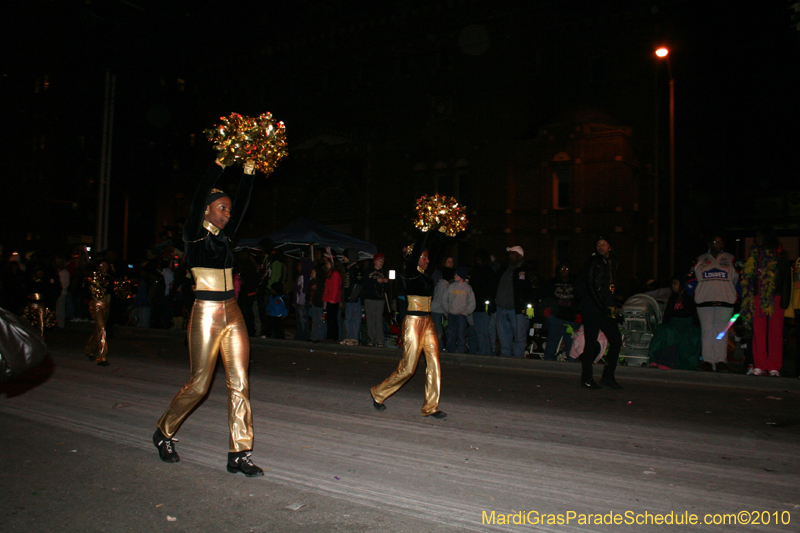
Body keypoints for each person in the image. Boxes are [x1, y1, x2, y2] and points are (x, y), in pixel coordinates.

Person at [153, 158, 263, 477]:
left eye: (228, 210)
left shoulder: (227, 237)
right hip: (206, 313)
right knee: (199, 385)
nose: (228, 214)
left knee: (240, 384)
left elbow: (243, 202)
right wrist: (221, 161)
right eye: (221, 209)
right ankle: (164, 431)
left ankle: (239, 453)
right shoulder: (194, 235)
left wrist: (249, 170)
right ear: (206, 209)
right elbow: (202, 189)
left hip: (233, 312)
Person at [370, 227, 447, 419]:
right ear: (415, 258)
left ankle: (430, 407)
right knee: (408, 368)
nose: (428, 260)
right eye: (424, 257)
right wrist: (426, 229)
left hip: (427, 321)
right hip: (413, 322)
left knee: (435, 363)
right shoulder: (410, 272)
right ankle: (378, 393)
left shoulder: (424, 273)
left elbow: (435, 252)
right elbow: (418, 250)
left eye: (428, 257)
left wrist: (442, 232)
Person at [740, 231, 790, 377]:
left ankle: (774, 366)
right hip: (757, 296)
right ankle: (759, 365)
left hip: (775, 296)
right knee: (758, 332)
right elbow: (748, 279)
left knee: (776, 333)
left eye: (761, 237)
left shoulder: (780, 255)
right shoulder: (754, 256)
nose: (758, 240)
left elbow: (786, 279)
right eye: (757, 238)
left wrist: (785, 302)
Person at [576, 236, 623, 389]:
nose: (601, 247)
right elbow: (591, 286)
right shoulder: (594, 262)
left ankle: (608, 376)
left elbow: (610, 288)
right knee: (590, 342)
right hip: (592, 307)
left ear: (610, 246)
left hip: (605, 307)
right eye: (598, 244)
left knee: (616, 340)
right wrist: (601, 306)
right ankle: (587, 378)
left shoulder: (612, 263)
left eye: (604, 244)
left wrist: (614, 306)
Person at [688, 235, 739, 373]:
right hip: (705, 301)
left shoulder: (731, 259)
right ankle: (707, 361)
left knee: (721, 332)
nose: (718, 244)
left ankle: (720, 360)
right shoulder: (700, 259)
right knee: (707, 331)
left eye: (721, 241)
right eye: (715, 241)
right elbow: (691, 280)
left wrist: (735, 295)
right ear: (709, 243)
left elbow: (738, 280)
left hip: (725, 300)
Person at [648, 275, 701, 370]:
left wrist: (676, 315)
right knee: (661, 329)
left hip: (686, 324)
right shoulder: (673, 297)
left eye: (675, 283)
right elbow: (669, 313)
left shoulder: (690, 297)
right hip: (673, 322)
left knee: (670, 332)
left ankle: (668, 361)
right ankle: (655, 360)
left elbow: (690, 312)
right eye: (672, 283)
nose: (673, 286)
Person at [495, 246, 537, 358]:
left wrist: (530, 306)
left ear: (520, 256)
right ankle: (505, 357)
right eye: (509, 254)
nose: (510, 256)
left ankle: (518, 359)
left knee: (519, 336)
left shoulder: (526, 270)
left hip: (517, 310)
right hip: (501, 308)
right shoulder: (504, 269)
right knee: (503, 336)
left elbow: (534, 288)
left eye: (513, 253)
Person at [541, 261, 578, 361]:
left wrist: (579, 314)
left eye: (566, 269)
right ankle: (548, 363)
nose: (564, 271)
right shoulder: (552, 282)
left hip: (570, 317)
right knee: (552, 340)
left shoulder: (575, 283)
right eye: (562, 269)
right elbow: (546, 297)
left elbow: (579, 299)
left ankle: (572, 365)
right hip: (555, 317)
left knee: (571, 342)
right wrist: (547, 309)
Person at [468, 250, 497, 356]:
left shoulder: (477, 271)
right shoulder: (489, 271)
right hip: (485, 305)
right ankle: (487, 351)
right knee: (485, 330)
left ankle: (485, 352)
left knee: (481, 330)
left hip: (479, 305)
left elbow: (474, 288)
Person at [85, 260, 114, 366]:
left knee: (100, 329)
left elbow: (113, 290)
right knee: (102, 329)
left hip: (107, 305)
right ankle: (102, 357)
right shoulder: (93, 278)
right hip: (97, 305)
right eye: (102, 265)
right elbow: (87, 292)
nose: (105, 266)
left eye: (106, 264)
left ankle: (89, 349)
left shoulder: (110, 277)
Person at [446, 266, 476, 354]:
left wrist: (465, 312)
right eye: (455, 274)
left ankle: (460, 353)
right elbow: (445, 299)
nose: (455, 276)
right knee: (451, 335)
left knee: (461, 335)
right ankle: (451, 352)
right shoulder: (451, 286)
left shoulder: (467, 288)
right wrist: (447, 310)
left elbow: (472, 302)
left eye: (457, 274)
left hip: (461, 316)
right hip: (451, 314)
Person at [363, 253, 388, 347]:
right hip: (370, 298)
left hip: (380, 299)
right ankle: (371, 338)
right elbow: (365, 283)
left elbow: (387, 287)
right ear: (375, 261)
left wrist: (385, 282)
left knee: (378, 319)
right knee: (370, 319)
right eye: (379, 260)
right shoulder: (368, 271)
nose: (381, 262)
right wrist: (376, 281)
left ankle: (380, 340)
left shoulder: (383, 272)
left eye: (382, 261)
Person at [341, 248, 364, 346]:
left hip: (354, 299)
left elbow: (358, 284)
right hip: (348, 298)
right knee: (348, 318)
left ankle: (354, 338)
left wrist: (353, 297)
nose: (343, 258)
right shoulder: (348, 269)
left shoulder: (356, 269)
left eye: (345, 256)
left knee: (355, 319)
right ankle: (348, 337)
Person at [431, 266, 454, 351]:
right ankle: (435, 349)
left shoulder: (440, 284)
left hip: (436, 309)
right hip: (437, 310)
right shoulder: (445, 286)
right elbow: (442, 300)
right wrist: (446, 312)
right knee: (439, 332)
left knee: (438, 330)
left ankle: (440, 348)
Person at [322, 253, 342, 340]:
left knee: (332, 319)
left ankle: (333, 336)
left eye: (327, 263)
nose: (326, 265)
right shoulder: (330, 273)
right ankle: (330, 335)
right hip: (329, 299)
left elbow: (335, 288)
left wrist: (333, 299)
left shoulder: (335, 274)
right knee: (329, 318)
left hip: (333, 300)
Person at [293, 258, 312, 341]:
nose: (297, 267)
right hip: (299, 301)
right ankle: (301, 334)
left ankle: (303, 335)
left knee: (302, 320)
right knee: (300, 320)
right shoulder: (303, 276)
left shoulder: (304, 276)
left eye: (299, 265)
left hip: (302, 302)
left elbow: (303, 291)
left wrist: (300, 302)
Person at [308, 266, 326, 343]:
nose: (311, 274)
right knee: (314, 321)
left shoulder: (320, 282)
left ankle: (319, 337)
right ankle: (313, 336)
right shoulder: (312, 282)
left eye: (313, 273)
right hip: (314, 303)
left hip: (320, 303)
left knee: (319, 321)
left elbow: (321, 293)